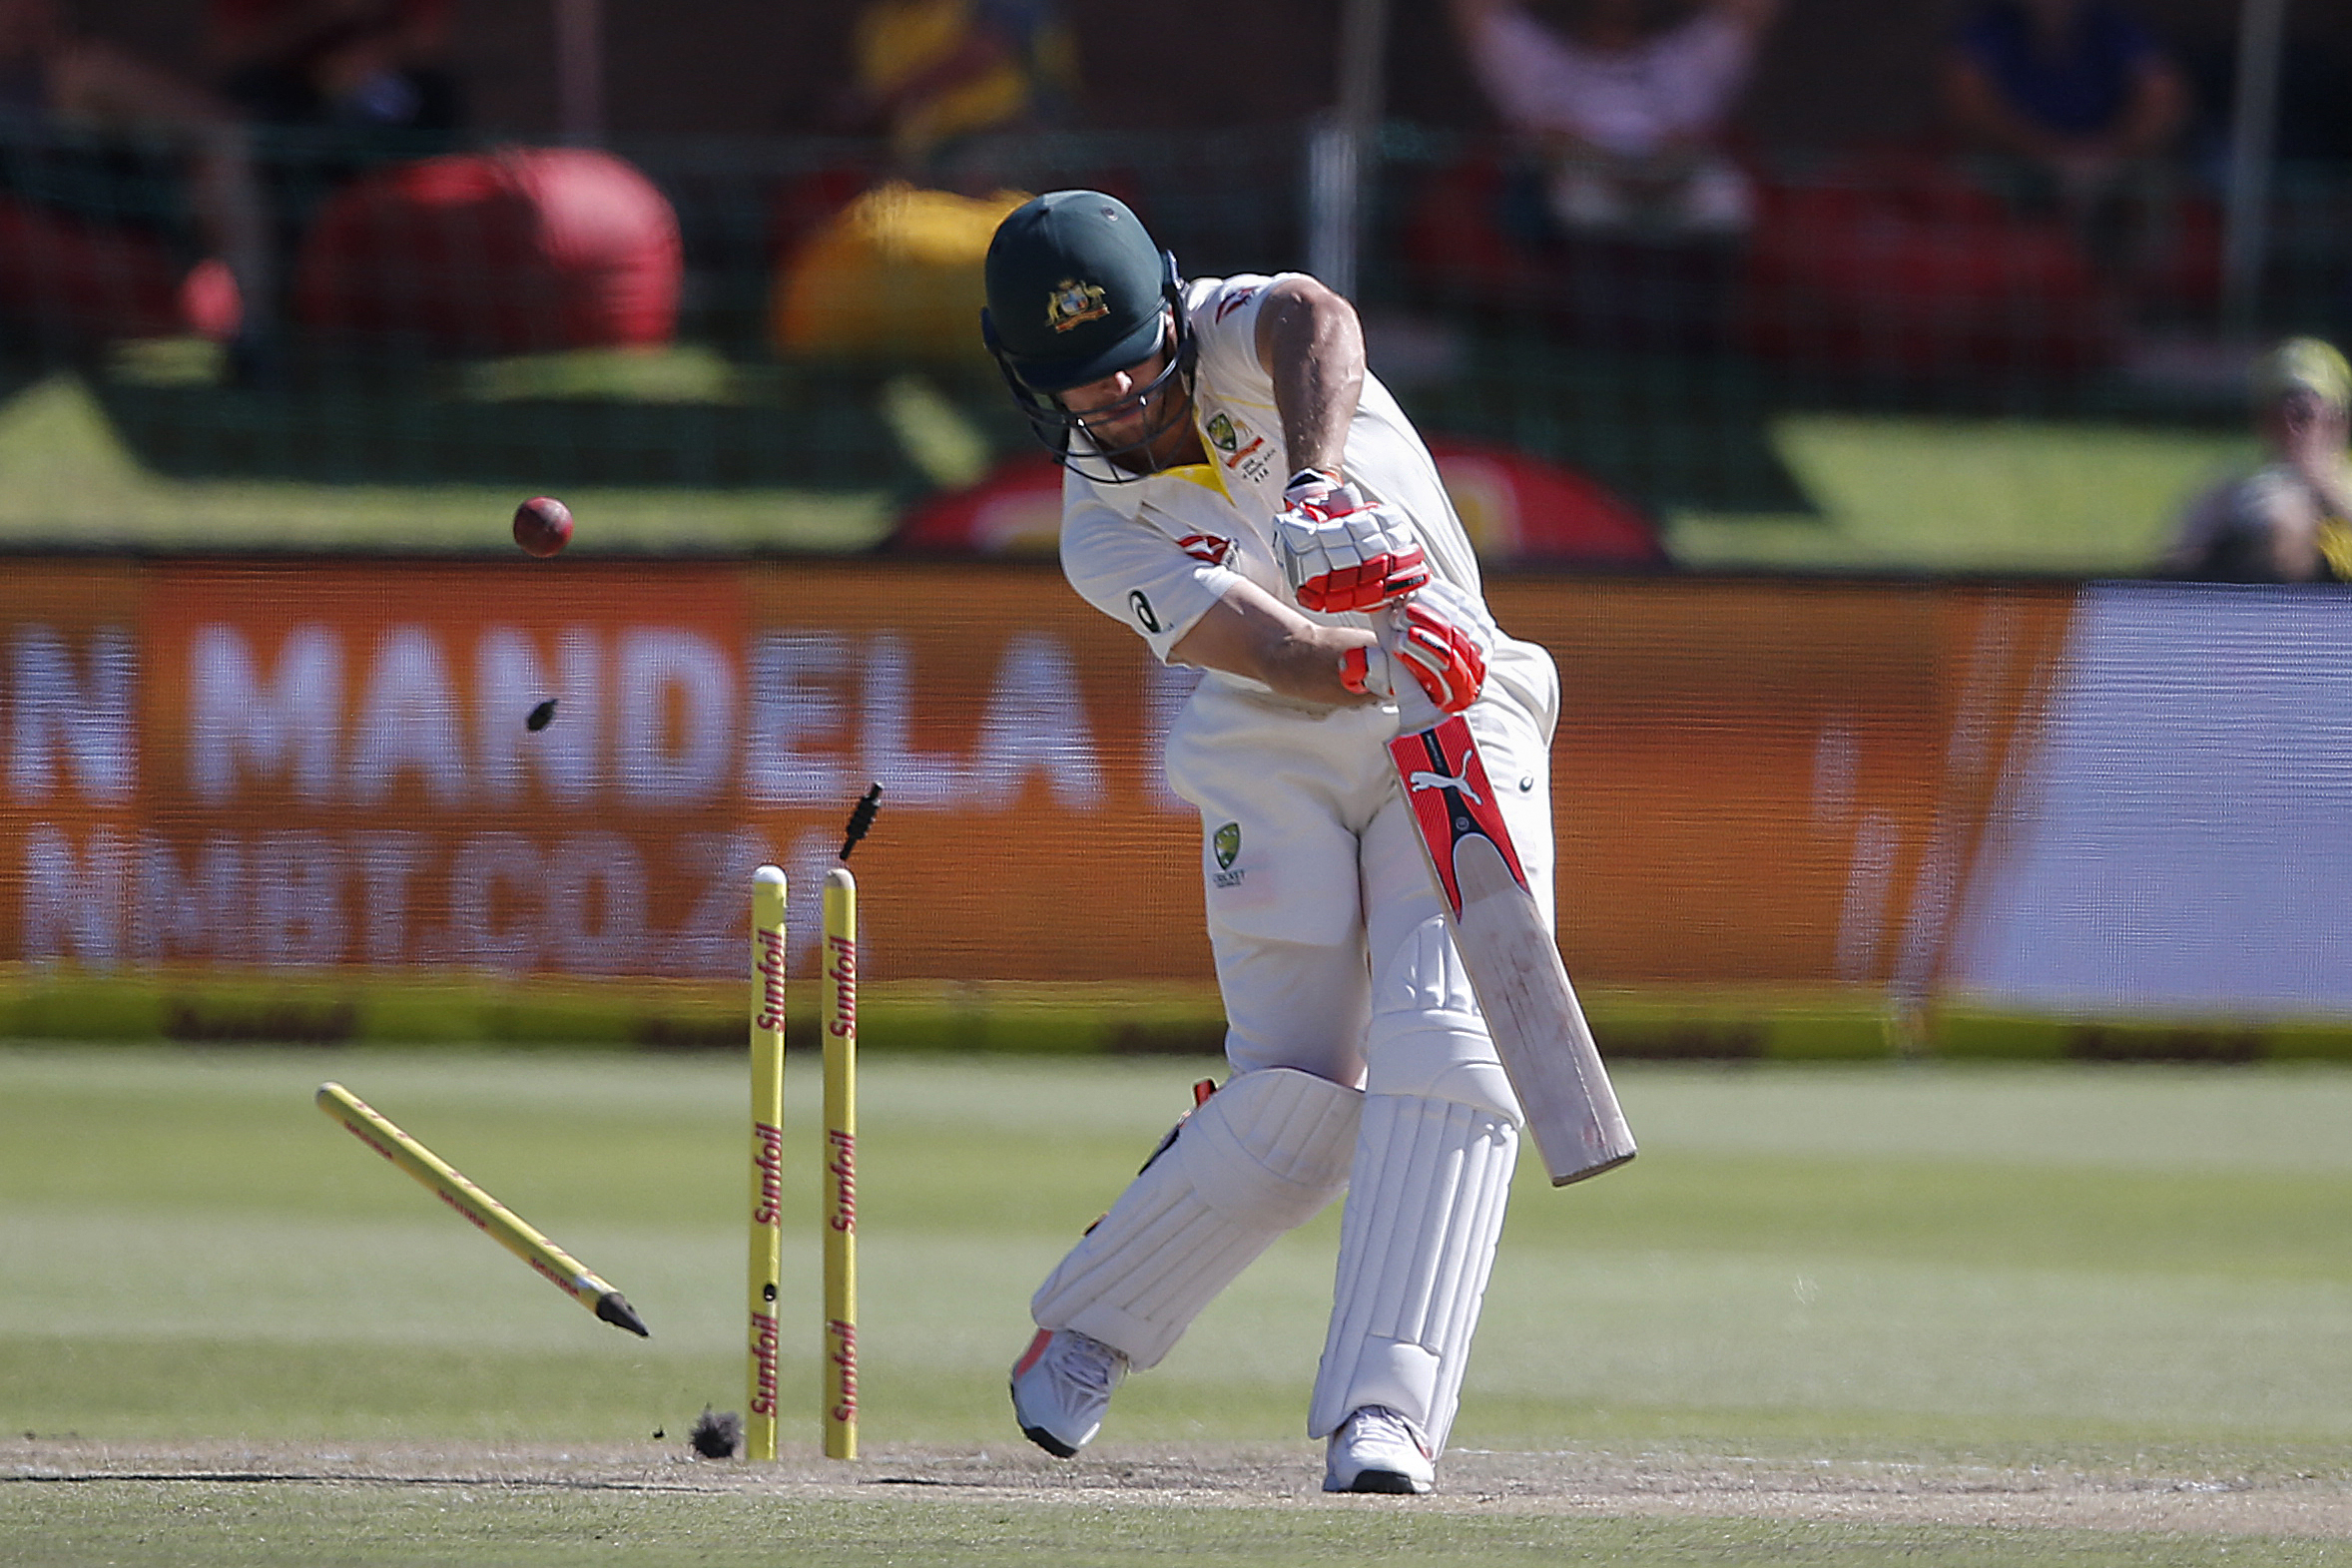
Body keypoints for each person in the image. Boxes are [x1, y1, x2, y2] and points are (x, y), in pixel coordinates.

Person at [980, 191, 1563, 1494]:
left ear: (1174, 311)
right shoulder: (1099, 529)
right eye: (1085, 381)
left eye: (1136, 352)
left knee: (1449, 1036)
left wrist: (1312, 480)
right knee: (1298, 1105)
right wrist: (1377, 651)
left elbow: (1316, 311)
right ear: (1031, 382)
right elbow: (1279, 657)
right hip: (1279, 739)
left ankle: (1386, 1414)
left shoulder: (1247, 335)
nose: (1124, 391)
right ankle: (1087, 1323)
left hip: (1464, 713)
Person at [1448, 0, 1777, 236]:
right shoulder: (1545, 64)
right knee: (1572, 196)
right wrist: (1610, 169)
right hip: (1580, 182)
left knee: (1725, 195)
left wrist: (1661, 169)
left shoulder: (1681, 62)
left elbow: (1750, 10)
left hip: (1673, 185)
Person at [1941, 0, 2186, 263]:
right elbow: (1968, 104)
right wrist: (2051, 156)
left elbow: (2164, 99)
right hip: (2015, 161)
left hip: (2108, 164)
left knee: (2152, 188)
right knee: (1956, 181)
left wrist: (2107, 155)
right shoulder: (1989, 29)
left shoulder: (2113, 27)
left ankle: (2130, 293)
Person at [2162, 338, 2352, 583]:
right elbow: (2172, 566)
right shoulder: (2234, 486)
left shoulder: (2346, 486)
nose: (2290, 425)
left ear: (2338, 421)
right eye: (2277, 412)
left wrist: (2322, 486)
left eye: (2304, 413)